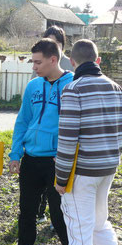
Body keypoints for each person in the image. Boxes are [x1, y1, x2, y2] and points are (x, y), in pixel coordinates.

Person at [48, 39, 122, 245]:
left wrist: (60, 179)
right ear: (98, 61)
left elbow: (67, 139)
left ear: (71, 62)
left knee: (79, 233)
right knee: (98, 221)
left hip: (81, 174)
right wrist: (110, 156)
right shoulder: (116, 88)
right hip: (107, 168)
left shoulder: (73, 90)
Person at [6, 38, 72, 245]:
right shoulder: (33, 86)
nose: (33, 66)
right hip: (31, 160)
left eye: (38, 62)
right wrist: (16, 154)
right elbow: (23, 120)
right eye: (32, 62)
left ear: (53, 59)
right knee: (27, 211)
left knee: (59, 215)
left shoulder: (73, 84)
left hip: (58, 162)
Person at [33, 26, 73, 224]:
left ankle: (59, 218)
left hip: (60, 145)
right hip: (38, 144)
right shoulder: (39, 69)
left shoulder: (69, 68)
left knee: (58, 189)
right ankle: (40, 212)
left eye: (55, 42)